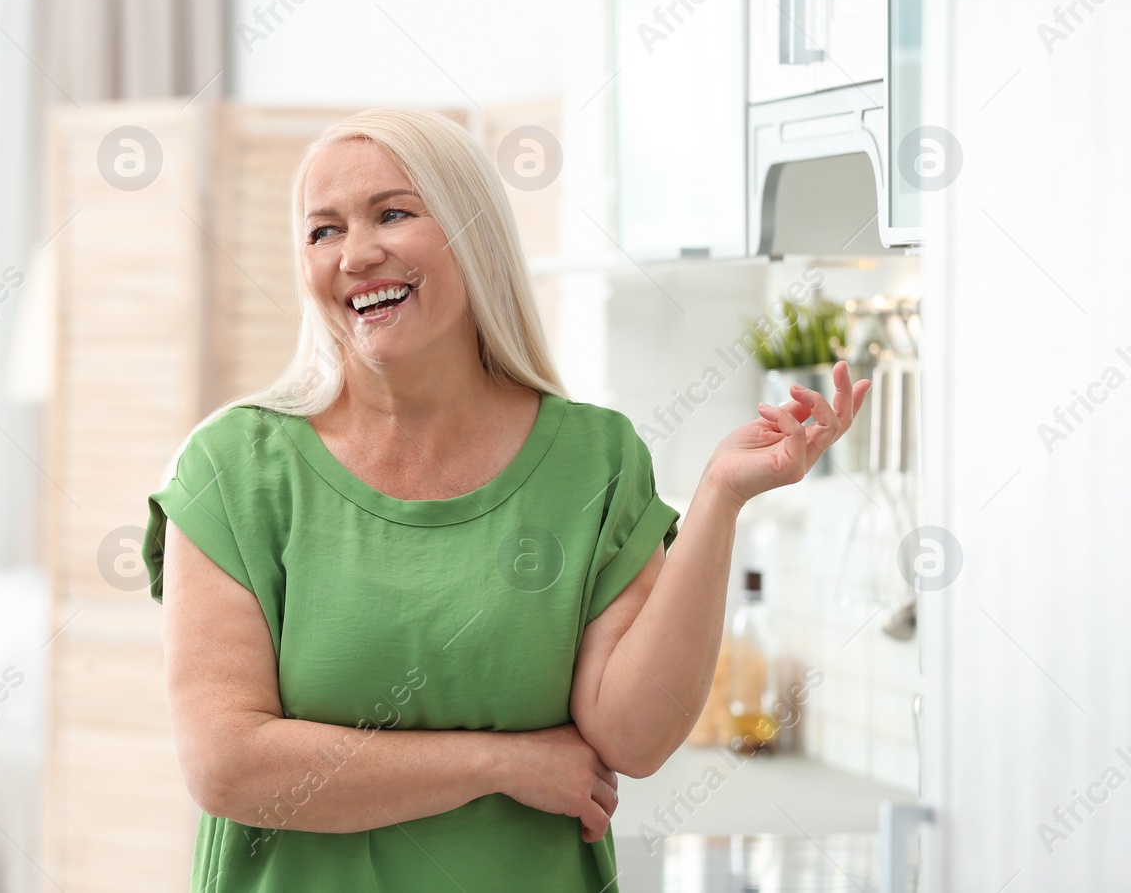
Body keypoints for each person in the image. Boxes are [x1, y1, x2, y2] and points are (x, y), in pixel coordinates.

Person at [141, 108, 868, 891]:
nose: (356, 253)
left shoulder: (595, 460)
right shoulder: (234, 470)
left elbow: (634, 734)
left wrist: (722, 497)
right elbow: (231, 766)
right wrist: (498, 763)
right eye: (323, 231)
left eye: (393, 212)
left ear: (474, 231)